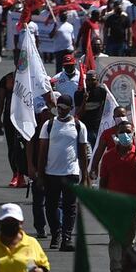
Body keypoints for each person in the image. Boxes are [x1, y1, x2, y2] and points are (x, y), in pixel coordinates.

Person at [96, 119, 136, 272]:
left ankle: (126, 269)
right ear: (116, 135)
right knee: (115, 238)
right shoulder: (109, 156)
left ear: (133, 134)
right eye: (122, 132)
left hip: (133, 202)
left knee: (128, 239)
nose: (125, 135)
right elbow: (103, 181)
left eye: (128, 132)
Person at [34, 94, 90, 252]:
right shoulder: (49, 125)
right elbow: (42, 151)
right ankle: (55, 234)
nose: (60, 111)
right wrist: (40, 174)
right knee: (51, 207)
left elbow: (82, 151)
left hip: (70, 172)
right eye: (58, 108)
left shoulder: (79, 126)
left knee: (70, 207)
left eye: (64, 109)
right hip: (51, 173)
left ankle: (66, 238)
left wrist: (85, 175)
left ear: (71, 109)